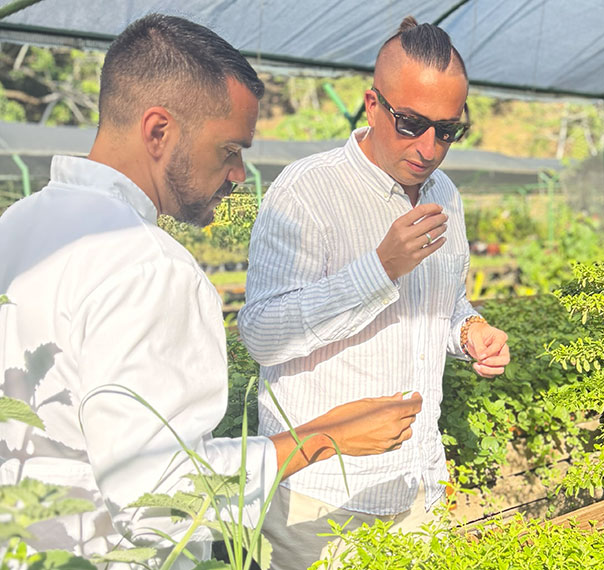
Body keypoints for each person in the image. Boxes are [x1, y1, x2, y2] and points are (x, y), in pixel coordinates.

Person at [0, 14, 421, 567]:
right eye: (229, 150)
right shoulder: (150, 267)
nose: (239, 175)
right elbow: (161, 497)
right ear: (158, 131)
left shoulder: (17, 225)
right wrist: (321, 439)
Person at [238, 16, 511, 567]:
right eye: (411, 123)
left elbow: (445, 301)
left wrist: (469, 330)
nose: (430, 147)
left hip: (419, 485)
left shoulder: (445, 195)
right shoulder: (307, 191)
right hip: (323, 501)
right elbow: (261, 336)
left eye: (448, 130)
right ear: (372, 104)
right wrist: (380, 268)